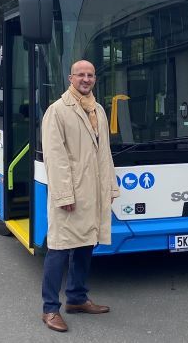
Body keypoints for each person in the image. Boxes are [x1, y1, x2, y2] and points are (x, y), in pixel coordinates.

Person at [41, 60, 120, 332]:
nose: (86, 79)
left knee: (86, 243)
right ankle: (50, 308)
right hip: (71, 194)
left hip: (93, 193)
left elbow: (104, 155)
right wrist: (64, 195)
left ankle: (76, 298)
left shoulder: (97, 108)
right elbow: (55, 157)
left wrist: (110, 187)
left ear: (95, 79)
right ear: (70, 78)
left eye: (90, 75)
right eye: (81, 75)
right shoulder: (57, 111)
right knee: (59, 249)